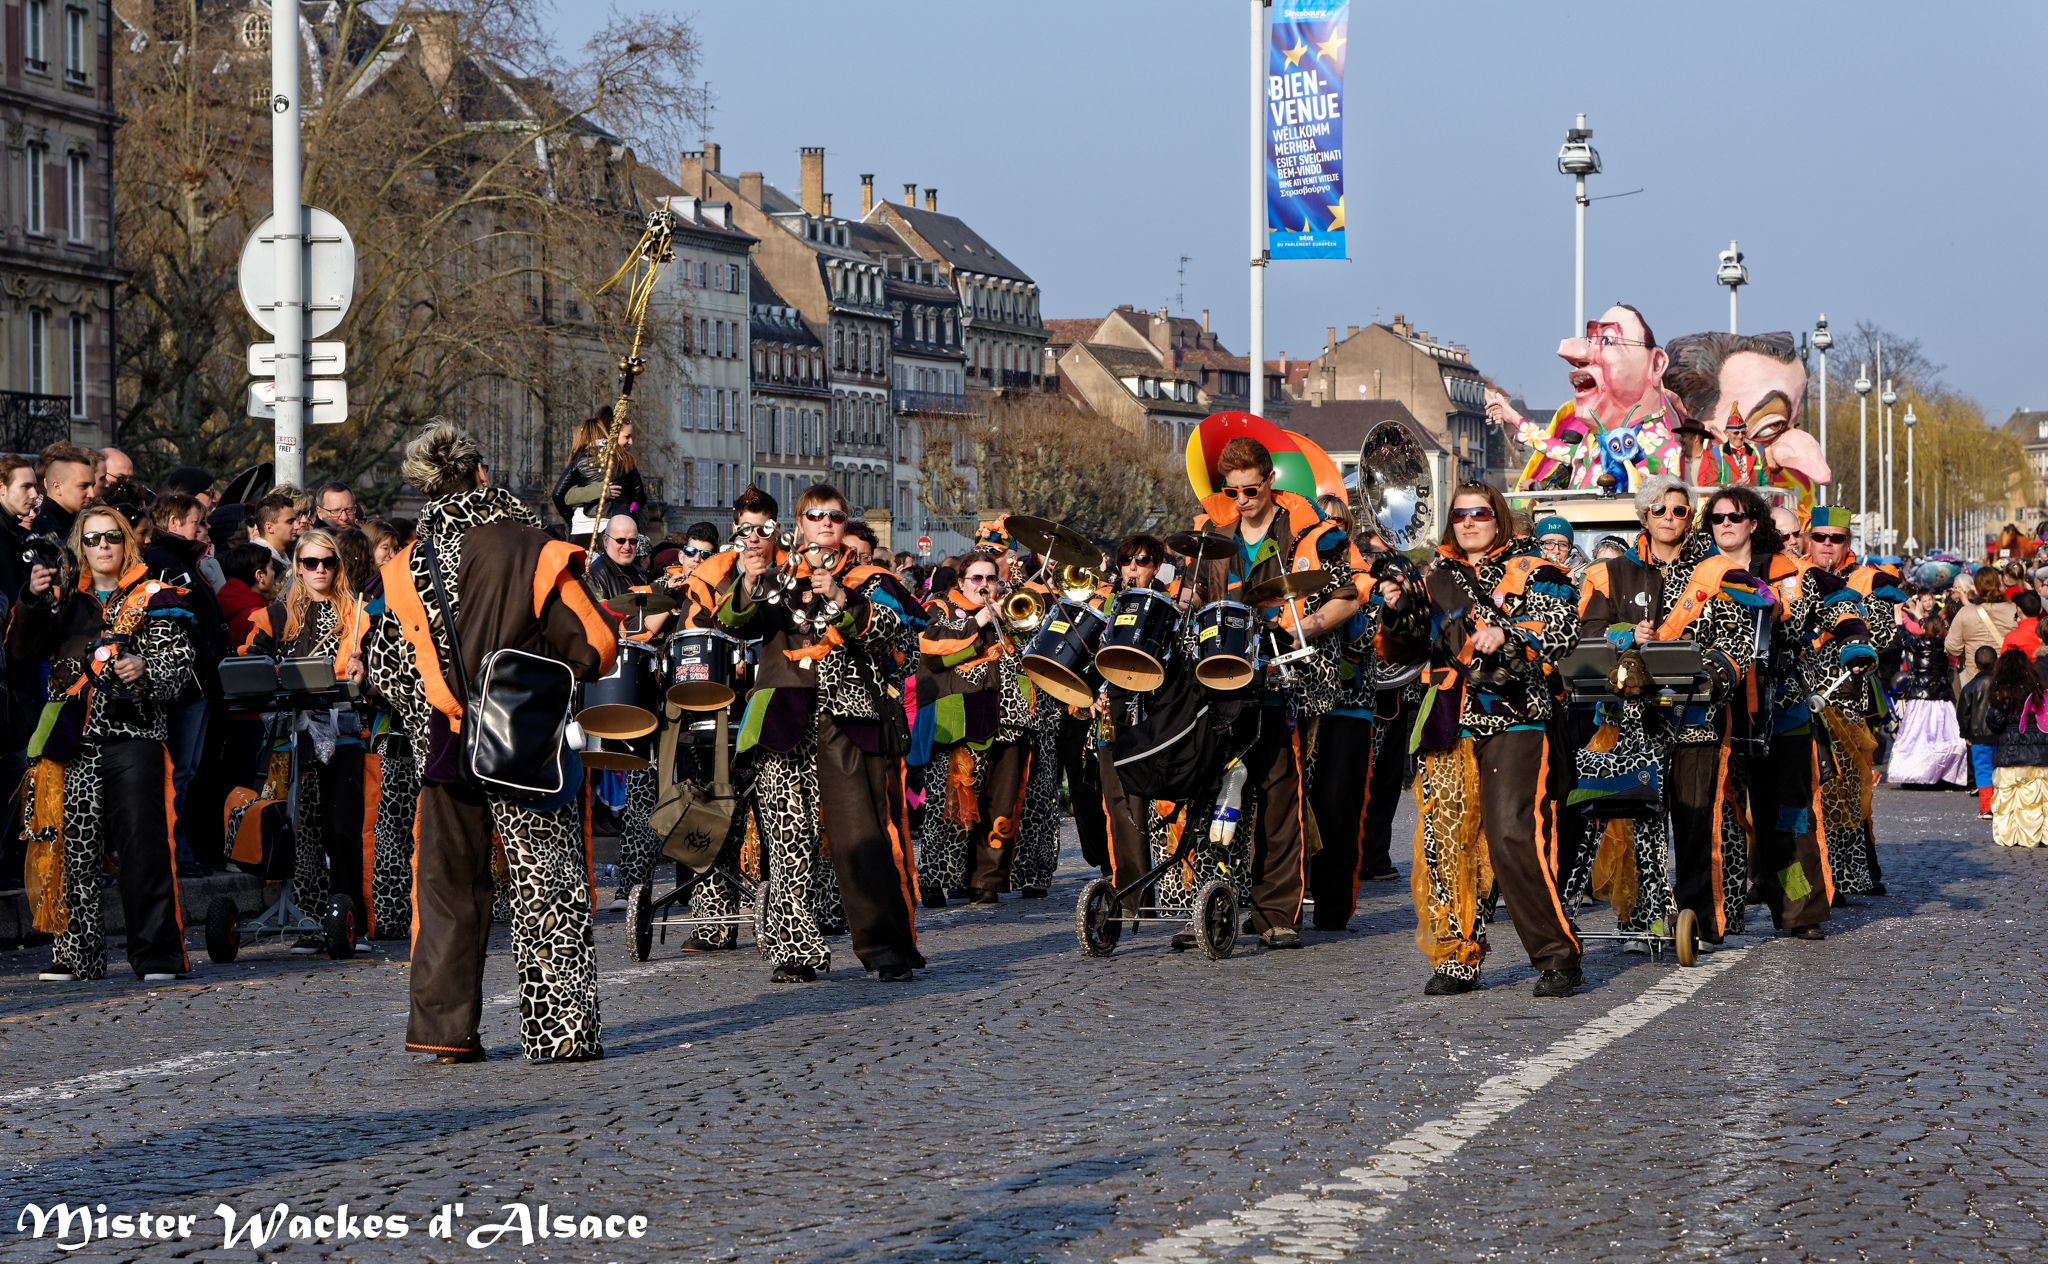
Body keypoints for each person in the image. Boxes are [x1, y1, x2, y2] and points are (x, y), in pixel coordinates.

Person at [364, 421, 617, 1062]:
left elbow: (384, 665)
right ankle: (557, 1032)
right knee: (547, 889)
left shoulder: (400, 567)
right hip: (520, 744)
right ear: (482, 473)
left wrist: (440, 707)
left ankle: (442, 1031)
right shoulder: (532, 547)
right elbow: (593, 646)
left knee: (448, 891)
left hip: (444, 746)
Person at [714, 482, 924, 983]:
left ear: (845, 524)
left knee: (863, 838)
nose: (824, 523)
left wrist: (844, 600)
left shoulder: (872, 580)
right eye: (814, 516)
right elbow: (736, 622)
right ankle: (795, 951)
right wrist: (746, 580)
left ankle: (887, 949)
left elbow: (901, 639)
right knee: (788, 838)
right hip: (785, 715)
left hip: (850, 718)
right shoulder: (779, 574)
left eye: (833, 515)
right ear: (799, 524)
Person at [1378, 478, 1581, 996]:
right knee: (1445, 840)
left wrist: (1509, 634)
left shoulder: (1540, 570)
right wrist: (1397, 607)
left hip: (1517, 715)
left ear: (1499, 519)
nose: (1469, 522)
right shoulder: (1432, 576)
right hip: (1448, 716)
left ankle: (1556, 954)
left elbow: (1563, 629)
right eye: (1460, 515)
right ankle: (1460, 956)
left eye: (1480, 514)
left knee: (1512, 830)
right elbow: (1402, 652)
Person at [1185, 437, 1358, 951]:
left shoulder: (1312, 532)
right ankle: (1211, 902)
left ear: (1269, 481)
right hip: (1221, 681)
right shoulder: (1214, 536)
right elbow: (1197, 596)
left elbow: (1349, 595)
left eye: (1251, 488)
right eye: (1232, 491)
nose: (1241, 499)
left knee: (1281, 797)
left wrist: (1301, 626)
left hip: (1288, 680)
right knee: (1214, 795)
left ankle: (1276, 914)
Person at [10, 505, 194, 982]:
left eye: (111, 536)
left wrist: (145, 670)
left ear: (126, 541)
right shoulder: (63, 598)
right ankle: (77, 956)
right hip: (72, 741)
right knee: (72, 847)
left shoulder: (156, 596)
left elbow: (181, 671)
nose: (102, 546)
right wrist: (31, 600)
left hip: (132, 736)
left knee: (143, 847)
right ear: (80, 547)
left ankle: (156, 957)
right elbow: (23, 651)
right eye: (91, 539)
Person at [1717, 485, 1875, 942]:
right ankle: (1719, 914)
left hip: (1781, 709)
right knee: (1721, 820)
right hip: (1716, 715)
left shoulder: (1792, 571)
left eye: (1736, 516)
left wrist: (1853, 639)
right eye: (1717, 517)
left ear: (1754, 523)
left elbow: (1839, 605)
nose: (1726, 524)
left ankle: (1799, 909)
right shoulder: (1696, 570)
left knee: (1789, 817)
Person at [242, 529, 375, 948]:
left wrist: (364, 674)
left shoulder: (360, 616)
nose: (319, 570)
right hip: (290, 734)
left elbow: (384, 675)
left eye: (328, 562)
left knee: (341, 826)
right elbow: (251, 663)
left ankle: (351, 919)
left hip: (344, 733)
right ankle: (311, 917)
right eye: (310, 562)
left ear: (339, 566)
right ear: (297, 567)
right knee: (301, 826)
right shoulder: (275, 615)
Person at [916, 548, 1038, 906]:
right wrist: (980, 621)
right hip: (961, 717)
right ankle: (938, 878)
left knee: (1001, 804)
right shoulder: (938, 608)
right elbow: (934, 655)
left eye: (991, 579)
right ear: (961, 581)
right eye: (977, 579)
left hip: (1010, 718)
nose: (985, 585)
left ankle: (987, 880)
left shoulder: (1011, 608)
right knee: (952, 804)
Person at [1305, 501, 1387, 930]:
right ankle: (1283, 900)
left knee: (1338, 808)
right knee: (1292, 804)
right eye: (1321, 520)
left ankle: (1333, 906)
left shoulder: (1362, 574)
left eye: (1335, 520)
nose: (1328, 527)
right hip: (1302, 704)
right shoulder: (1298, 568)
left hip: (1349, 707)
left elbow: (1366, 635)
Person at [143, 492, 231, 876]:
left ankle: (180, 849)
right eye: (198, 521)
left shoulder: (183, 559)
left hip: (199, 682)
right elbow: (184, 623)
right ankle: (174, 851)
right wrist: (211, 660)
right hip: (186, 685)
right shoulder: (163, 561)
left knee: (188, 769)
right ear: (175, 523)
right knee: (179, 770)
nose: (204, 528)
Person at [1891, 585, 1970, 788]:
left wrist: (1899, 623)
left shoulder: (1919, 644)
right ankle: (1945, 773)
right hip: (1942, 695)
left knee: (1916, 736)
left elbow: (1905, 639)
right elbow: (1928, 629)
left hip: (1920, 695)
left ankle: (1916, 773)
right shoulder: (1946, 644)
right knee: (1944, 735)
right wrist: (1920, 617)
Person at [1984, 647, 2048, 848]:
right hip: (2040, 757)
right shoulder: (2038, 692)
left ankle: (2013, 835)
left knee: (2011, 801)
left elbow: (1994, 724)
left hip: (2009, 757)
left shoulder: (2002, 695)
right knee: (2039, 802)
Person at [551, 414, 647, 537]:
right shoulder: (626, 460)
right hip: (618, 528)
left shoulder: (580, 459)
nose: (631, 442)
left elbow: (557, 494)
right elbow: (640, 498)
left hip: (582, 528)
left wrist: (571, 521)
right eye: (627, 437)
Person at [1947, 568, 2017, 688]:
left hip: (1975, 681)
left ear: (1977, 588)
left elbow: (1952, 647)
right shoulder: (2013, 610)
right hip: (2006, 675)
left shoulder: (1965, 612)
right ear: (1999, 585)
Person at [1958, 645, 2000, 818]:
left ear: (1974, 665)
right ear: (1996, 663)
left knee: (1982, 771)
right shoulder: (2001, 685)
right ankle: (2001, 805)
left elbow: (1963, 714)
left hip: (1977, 736)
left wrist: (1965, 734)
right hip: (1999, 734)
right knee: (2000, 770)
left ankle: (1986, 807)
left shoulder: (1969, 687)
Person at [31, 442, 98, 540]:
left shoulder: (70, 521)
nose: (92, 494)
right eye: (83, 486)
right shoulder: (46, 529)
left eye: (93, 486)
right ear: (57, 487)